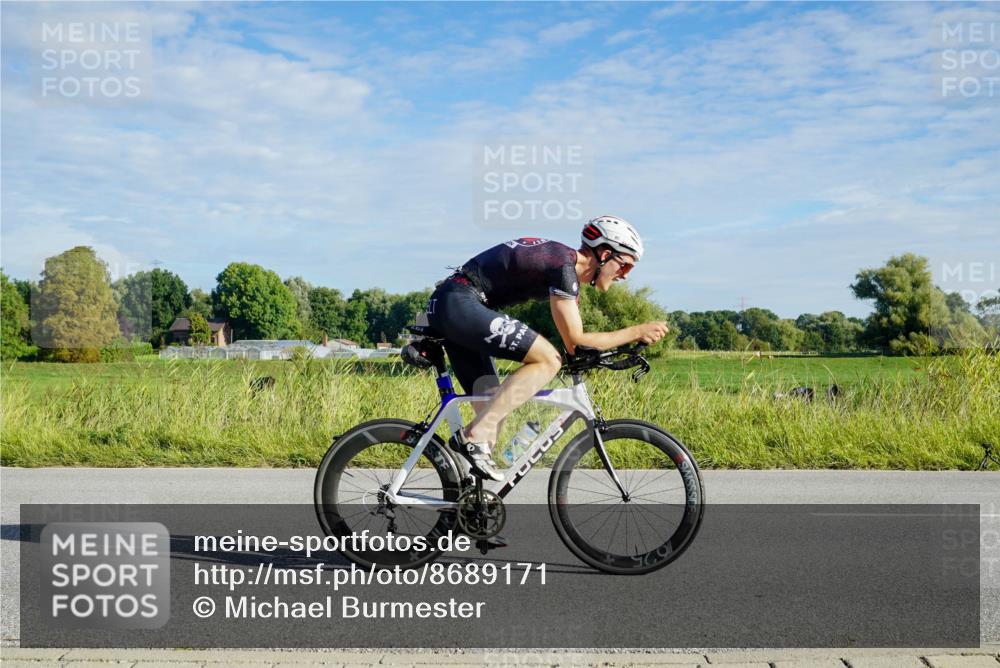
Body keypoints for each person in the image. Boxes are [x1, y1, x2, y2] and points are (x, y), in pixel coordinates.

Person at [426, 215, 669, 481]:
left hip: (456, 305)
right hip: (459, 302)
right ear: (605, 254)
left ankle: (467, 497)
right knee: (548, 360)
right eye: (625, 265)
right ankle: (472, 435)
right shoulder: (563, 267)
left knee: (494, 412)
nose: (625, 275)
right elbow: (575, 340)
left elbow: (576, 347)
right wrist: (636, 332)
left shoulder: (564, 269)